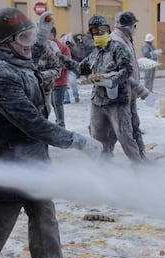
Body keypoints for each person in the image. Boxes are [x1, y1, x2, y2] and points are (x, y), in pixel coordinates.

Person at [0, 8, 102, 258]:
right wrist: (78, 141)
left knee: (44, 218)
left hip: (32, 160)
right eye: (23, 38)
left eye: (31, 37)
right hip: (3, 163)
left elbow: (33, 48)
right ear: (3, 42)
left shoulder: (15, 56)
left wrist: (41, 26)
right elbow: (33, 124)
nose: (30, 43)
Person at [60, 14, 144, 163]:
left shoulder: (118, 48)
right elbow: (80, 69)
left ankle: (138, 166)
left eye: (102, 29)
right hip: (98, 101)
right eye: (95, 31)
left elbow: (127, 69)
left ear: (108, 29)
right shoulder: (94, 53)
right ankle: (104, 168)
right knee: (98, 138)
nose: (99, 33)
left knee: (125, 138)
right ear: (91, 33)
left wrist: (112, 80)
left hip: (117, 101)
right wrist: (62, 58)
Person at [111, 11, 155, 160]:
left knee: (134, 127)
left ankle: (141, 157)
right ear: (126, 27)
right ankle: (137, 163)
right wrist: (141, 90)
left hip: (131, 94)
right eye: (134, 26)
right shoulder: (117, 42)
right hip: (122, 95)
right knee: (124, 132)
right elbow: (122, 72)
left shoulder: (126, 39)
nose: (136, 29)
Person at [50, 26, 71, 127]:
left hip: (60, 81)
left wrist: (58, 67)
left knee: (57, 103)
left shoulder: (62, 46)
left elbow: (68, 63)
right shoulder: (46, 46)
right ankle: (58, 121)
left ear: (52, 34)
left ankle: (61, 124)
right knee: (53, 103)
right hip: (50, 81)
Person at [37, 33, 61, 117]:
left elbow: (57, 69)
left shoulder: (47, 50)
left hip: (45, 89)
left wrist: (41, 75)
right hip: (27, 91)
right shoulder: (20, 50)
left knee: (45, 112)